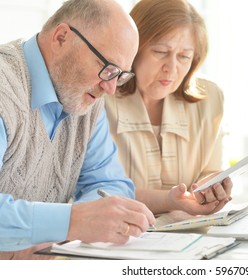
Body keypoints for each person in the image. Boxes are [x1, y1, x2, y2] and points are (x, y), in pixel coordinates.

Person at [0, 0, 216, 260]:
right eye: (107, 68)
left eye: (120, 75)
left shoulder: (84, 98)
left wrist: (91, 219)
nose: (111, 89)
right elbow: (76, 220)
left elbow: (110, 182)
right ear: (61, 38)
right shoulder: (5, 91)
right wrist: (72, 221)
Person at [105, 0, 232, 215]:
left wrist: (212, 186)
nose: (171, 69)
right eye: (161, 52)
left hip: (193, 240)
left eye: (184, 57)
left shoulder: (210, 99)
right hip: (119, 240)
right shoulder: (101, 98)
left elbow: (210, 170)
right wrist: (170, 200)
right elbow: (96, 191)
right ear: (134, 48)